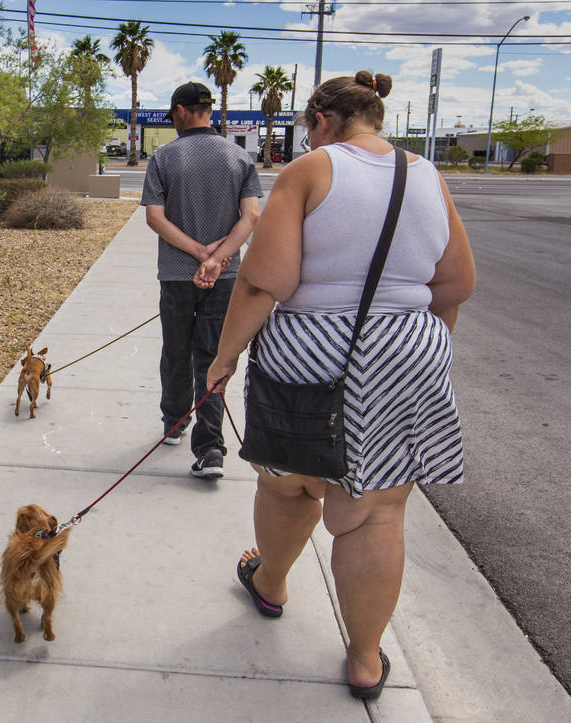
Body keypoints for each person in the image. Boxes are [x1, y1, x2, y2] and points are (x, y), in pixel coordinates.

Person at [206, 71, 476, 698]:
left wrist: (224, 358)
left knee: (288, 485)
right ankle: (363, 659)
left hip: (309, 349)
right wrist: (415, 349)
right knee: (376, 510)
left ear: (320, 122)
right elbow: (456, 285)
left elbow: (262, 282)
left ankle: (270, 585)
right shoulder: (427, 174)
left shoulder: (312, 170)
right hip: (410, 345)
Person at [142, 81, 261, 479]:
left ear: (180, 110)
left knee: (176, 350)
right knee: (213, 356)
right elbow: (251, 217)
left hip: (177, 276)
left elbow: (155, 217)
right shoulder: (240, 157)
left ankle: (175, 422)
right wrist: (218, 257)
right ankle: (211, 449)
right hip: (224, 276)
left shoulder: (163, 157)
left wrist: (198, 254)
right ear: (208, 111)